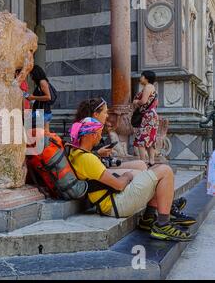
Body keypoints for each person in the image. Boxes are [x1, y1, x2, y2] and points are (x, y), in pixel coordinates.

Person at [68, 117, 196, 242]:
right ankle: (162, 225)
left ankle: (148, 218)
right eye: (99, 134)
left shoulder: (77, 154)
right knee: (165, 171)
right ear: (91, 135)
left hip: (111, 202)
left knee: (152, 171)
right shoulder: (88, 159)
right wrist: (128, 176)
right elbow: (118, 185)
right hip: (116, 204)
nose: (100, 137)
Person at [74, 97, 148, 174]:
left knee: (141, 164)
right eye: (105, 112)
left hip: (103, 164)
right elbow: (80, 159)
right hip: (95, 169)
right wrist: (98, 153)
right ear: (96, 114)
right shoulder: (86, 131)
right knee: (137, 173)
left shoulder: (96, 127)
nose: (107, 116)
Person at [133, 71, 159, 167]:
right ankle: (151, 161)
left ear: (146, 78)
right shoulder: (152, 87)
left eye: (142, 76)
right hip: (152, 115)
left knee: (141, 139)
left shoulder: (148, 87)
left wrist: (136, 101)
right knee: (150, 139)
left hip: (147, 116)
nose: (140, 78)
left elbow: (143, 101)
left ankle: (142, 162)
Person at [26, 65, 53, 133]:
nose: (31, 77)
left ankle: (44, 143)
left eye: (31, 75)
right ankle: (45, 143)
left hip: (43, 111)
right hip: (42, 111)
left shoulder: (42, 82)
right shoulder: (40, 83)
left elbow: (48, 97)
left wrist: (33, 97)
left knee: (41, 133)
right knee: (44, 132)